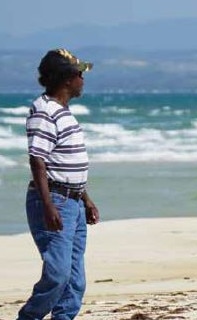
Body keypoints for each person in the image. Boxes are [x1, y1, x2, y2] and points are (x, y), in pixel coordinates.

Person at [17, 48, 100, 320]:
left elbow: (65, 163)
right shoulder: (44, 112)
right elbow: (38, 162)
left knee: (75, 281)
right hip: (56, 202)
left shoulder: (63, 112)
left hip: (72, 202)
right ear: (66, 79)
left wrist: (85, 199)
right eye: (79, 75)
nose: (82, 80)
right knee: (58, 274)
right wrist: (49, 206)